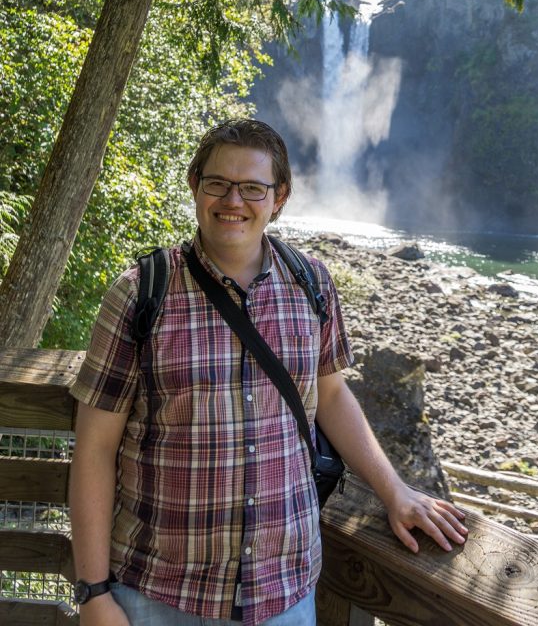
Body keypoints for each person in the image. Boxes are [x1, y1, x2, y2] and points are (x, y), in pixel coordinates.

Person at [69, 118, 467, 626]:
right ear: (195, 185)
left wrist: (396, 492)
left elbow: (331, 393)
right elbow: (95, 448)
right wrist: (95, 593)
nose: (233, 201)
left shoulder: (313, 283)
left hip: (283, 594)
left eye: (252, 188)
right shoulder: (140, 294)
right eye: (218, 183)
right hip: (156, 593)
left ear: (279, 197)